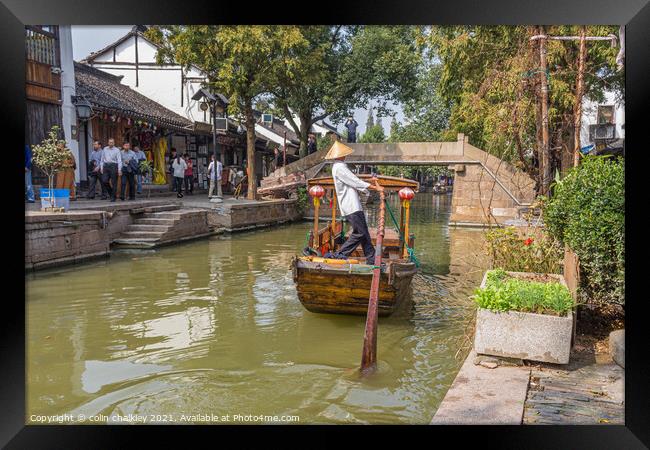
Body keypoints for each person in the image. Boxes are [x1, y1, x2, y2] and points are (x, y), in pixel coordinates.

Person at [326, 140, 384, 265]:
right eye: (344, 154)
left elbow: (353, 179)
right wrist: (375, 187)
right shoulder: (339, 167)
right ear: (340, 155)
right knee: (360, 233)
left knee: (364, 232)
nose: (346, 155)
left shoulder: (339, 167)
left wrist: (370, 180)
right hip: (350, 205)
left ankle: (371, 259)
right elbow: (355, 181)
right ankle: (340, 254)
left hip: (353, 205)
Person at [100, 138, 122, 202]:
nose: (111, 143)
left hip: (114, 166)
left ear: (114, 143)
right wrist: (101, 167)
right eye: (110, 142)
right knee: (104, 181)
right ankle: (111, 193)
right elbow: (102, 159)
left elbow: (119, 160)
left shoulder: (117, 150)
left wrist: (119, 169)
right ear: (108, 143)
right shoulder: (105, 149)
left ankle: (113, 197)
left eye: (112, 142)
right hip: (106, 166)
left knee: (114, 182)